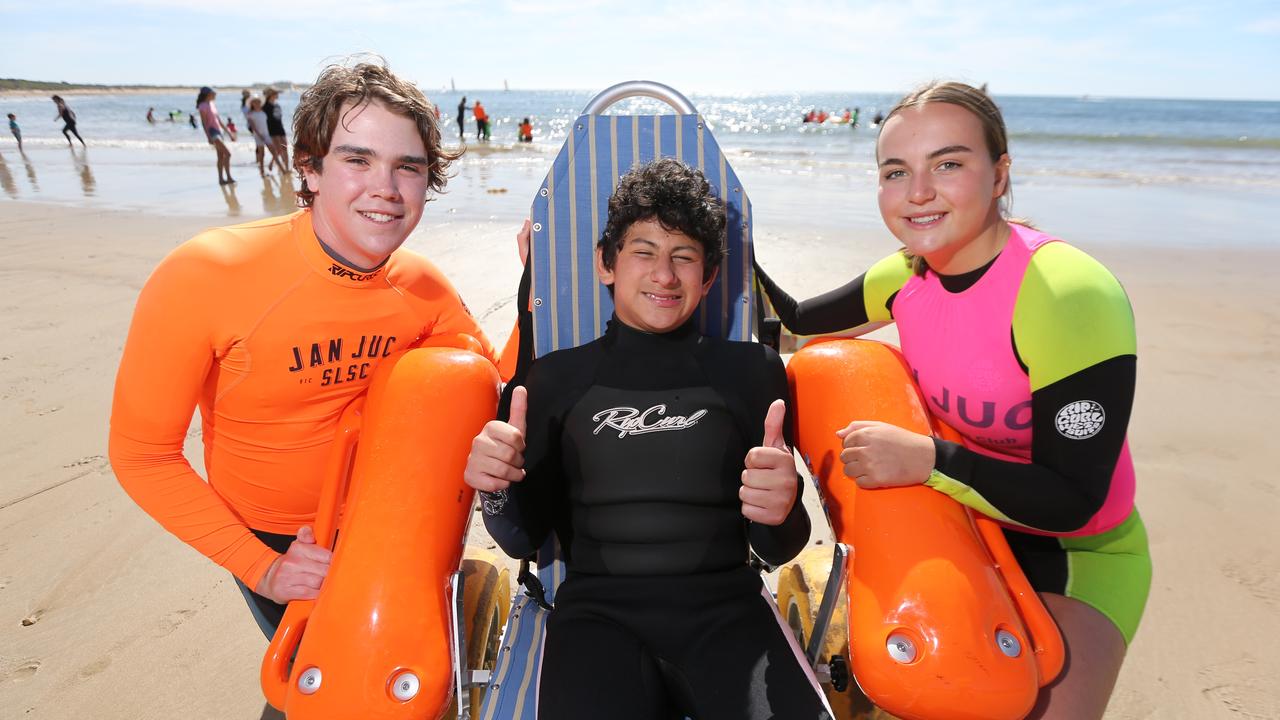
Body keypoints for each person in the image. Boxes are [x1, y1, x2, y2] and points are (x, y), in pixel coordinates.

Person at [753, 81, 1150, 720]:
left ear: (999, 175)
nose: (917, 192)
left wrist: (934, 461)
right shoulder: (907, 273)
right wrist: (717, 232)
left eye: (948, 163)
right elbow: (792, 323)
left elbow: (1076, 499)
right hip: (962, 524)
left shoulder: (1066, 293)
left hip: (1079, 552)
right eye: (895, 171)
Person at [109, 60, 494, 642]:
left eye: (407, 167)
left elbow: (497, 386)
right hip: (273, 540)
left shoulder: (423, 287)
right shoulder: (207, 275)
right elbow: (143, 455)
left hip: (391, 517)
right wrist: (263, 569)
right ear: (310, 168)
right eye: (356, 159)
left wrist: (536, 288)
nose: (385, 189)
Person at [465, 158, 830, 719]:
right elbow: (521, 538)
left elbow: (778, 549)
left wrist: (782, 511)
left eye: (684, 256)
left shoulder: (753, 371)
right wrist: (495, 489)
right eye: (644, 252)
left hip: (727, 613)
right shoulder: (555, 378)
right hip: (596, 619)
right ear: (606, 264)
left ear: (708, 278)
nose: (664, 275)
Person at [195, 87, 235, 185]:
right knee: (228, 154)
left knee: (220, 156)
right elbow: (204, 123)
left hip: (218, 131)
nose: (215, 95)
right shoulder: (202, 106)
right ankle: (228, 177)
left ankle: (221, 179)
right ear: (208, 94)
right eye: (214, 94)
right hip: (212, 132)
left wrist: (229, 133)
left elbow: (219, 121)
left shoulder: (212, 104)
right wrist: (208, 136)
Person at [262, 87, 290, 172]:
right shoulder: (265, 106)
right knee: (279, 150)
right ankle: (278, 167)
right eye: (276, 93)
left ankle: (286, 168)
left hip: (281, 128)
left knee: (285, 147)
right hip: (272, 130)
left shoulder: (277, 105)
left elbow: (279, 118)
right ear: (271, 95)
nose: (277, 95)